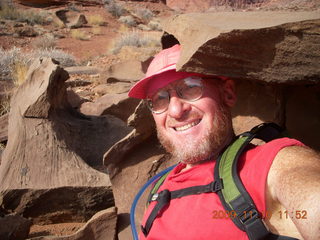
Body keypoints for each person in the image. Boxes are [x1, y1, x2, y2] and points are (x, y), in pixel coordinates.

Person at [128, 44, 320, 240]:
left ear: (228, 92)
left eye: (190, 87)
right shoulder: (158, 191)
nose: (176, 111)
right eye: (159, 99)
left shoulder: (268, 164)